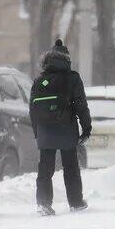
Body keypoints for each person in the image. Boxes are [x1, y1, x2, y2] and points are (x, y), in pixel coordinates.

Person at [30, 39, 92, 215]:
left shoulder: (39, 80)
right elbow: (81, 105)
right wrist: (86, 127)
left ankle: (43, 203)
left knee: (45, 169)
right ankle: (76, 202)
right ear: (67, 59)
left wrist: (37, 132)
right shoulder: (72, 78)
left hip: (45, 131)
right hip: (67, 128)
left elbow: (32, 109)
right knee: (71, 167)